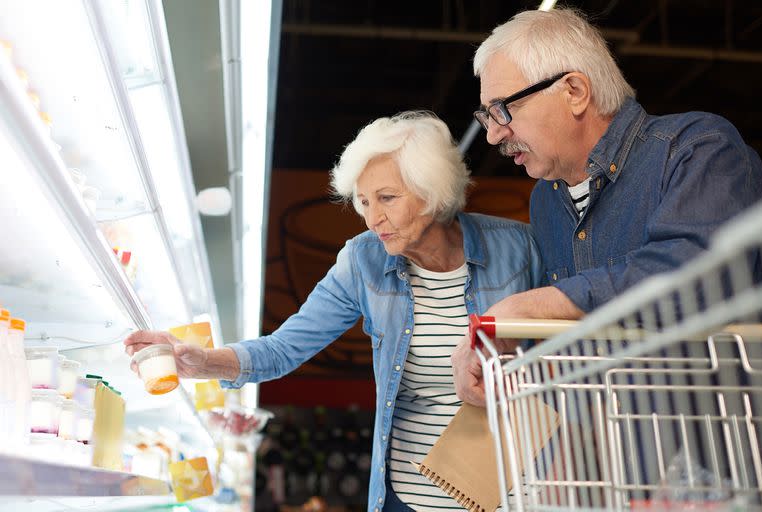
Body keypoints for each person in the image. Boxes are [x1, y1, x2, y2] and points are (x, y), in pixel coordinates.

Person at [124, 111, 545, 511]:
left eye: (387, 198)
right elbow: (285, 347)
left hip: (517, 491)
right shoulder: (364, 262)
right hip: (410, 498)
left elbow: (573, 338)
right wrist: (204, 363)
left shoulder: (519, 249)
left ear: (432, 192)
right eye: (363, 202)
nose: (372, 219)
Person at [452, 7, 762, 406]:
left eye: (503, 108)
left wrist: (529, 307)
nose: (495, 134)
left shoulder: (696, 149)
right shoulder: (546, 200)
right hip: (618, 457)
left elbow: (694, 279)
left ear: (574, 92)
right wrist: (503, 355)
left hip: (723, 449)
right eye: (486, 116)